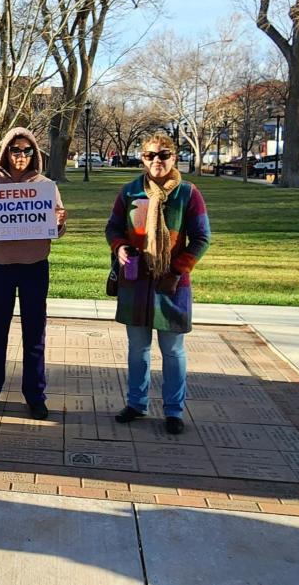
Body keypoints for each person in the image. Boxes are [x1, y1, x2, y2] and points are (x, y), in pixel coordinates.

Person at [105, 134, 210, 435]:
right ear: (142, 158)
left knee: (173, 350)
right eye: (150, 156)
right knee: (138, 348)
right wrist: (120, 247)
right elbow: (113, 227)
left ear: (174, 158)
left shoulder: (187, 194)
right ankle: (136, 404)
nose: (157, 161)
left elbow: (202, 238)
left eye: (164, 155)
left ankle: (173, 410)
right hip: (135, 280)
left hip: (171, 282)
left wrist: (178, 268)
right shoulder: (130, 192)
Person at [0, 127, 67, 420]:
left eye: (27, 150)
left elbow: (56, 230)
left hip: (35, 266)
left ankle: (35, 395)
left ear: (35, 154)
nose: (21, 155)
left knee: (34, 334)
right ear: (5, 152)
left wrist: (59, 221)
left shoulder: (45, 186)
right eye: (15, 150)